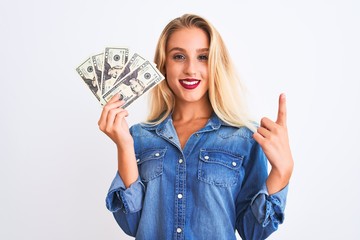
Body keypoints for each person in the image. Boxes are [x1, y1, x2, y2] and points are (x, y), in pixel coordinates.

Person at [98, 14, 294, 240]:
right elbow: (131, 224)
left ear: (216, 64)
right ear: (163, 65)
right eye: (179, 56)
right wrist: (124, 145)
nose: (191, 69)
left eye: (203, 57)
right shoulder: (139, 137)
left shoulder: (245, 138)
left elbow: (253, 231)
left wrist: (282, 171)